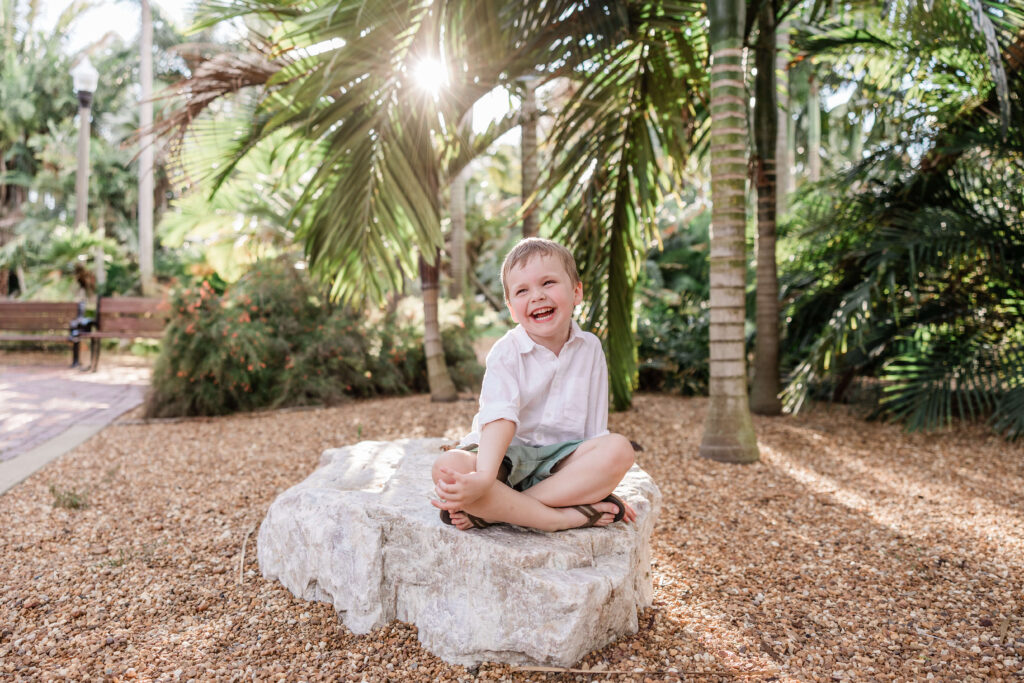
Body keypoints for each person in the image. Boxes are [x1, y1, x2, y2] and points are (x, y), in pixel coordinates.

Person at [432, 237, 638, 532]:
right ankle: (559, 518)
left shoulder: (590, 348)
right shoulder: (507, 350)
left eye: (548, 283)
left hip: (560, 465)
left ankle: (498, 511)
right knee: (447, 469)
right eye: (522, 290)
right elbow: (499, 417)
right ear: (512, 309)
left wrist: (601, 485)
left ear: (576, 291)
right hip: (503, 460)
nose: (537, 296)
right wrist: (484, 478)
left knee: (619, 449)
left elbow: (596, 432)